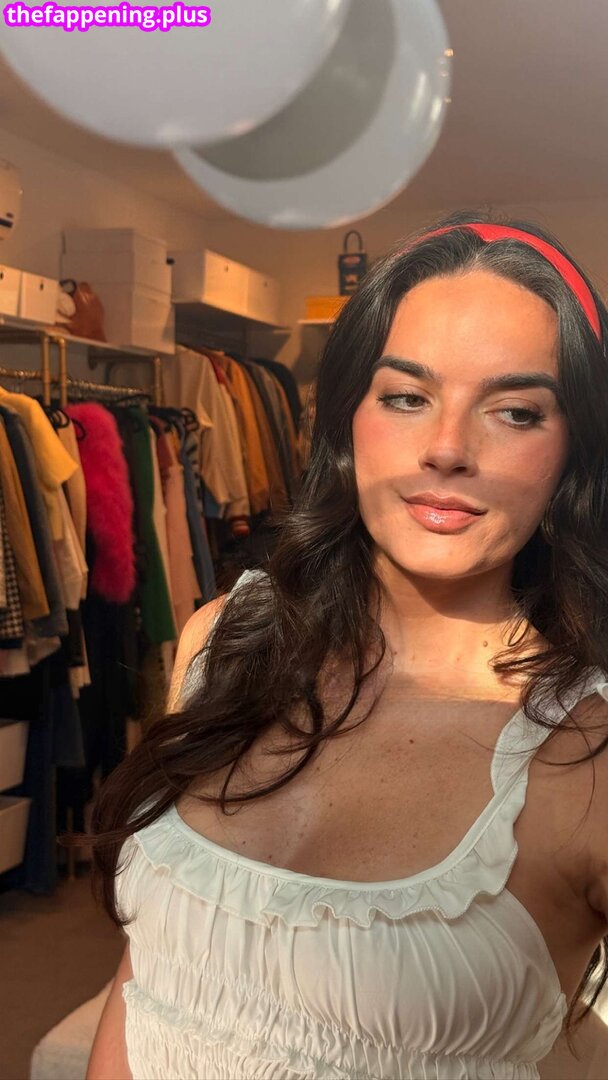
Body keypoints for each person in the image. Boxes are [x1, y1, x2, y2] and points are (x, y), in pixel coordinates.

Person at [86, 210, 608, 1080]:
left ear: (572, 457)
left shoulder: (585, 755)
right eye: (406, 397)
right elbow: (146, 982)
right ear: (348, 419)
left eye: (516, 412)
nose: (446, 448)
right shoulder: (226, 642)